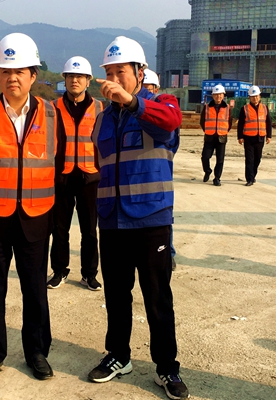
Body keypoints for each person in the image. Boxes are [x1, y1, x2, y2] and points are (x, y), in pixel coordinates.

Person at [87, 36, 189, 400]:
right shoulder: (102, 120)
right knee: (116, 295)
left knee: (157, 298)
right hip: (112, 220)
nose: (114, 79)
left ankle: (167, 368)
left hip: (150, 220)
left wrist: (132, 102)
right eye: (110, 72)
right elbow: (101, 164)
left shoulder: (161, 104)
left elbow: (170, 123)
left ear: (140, 73)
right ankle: (118, 355)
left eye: (122, 72)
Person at [0, 32, 64, 382]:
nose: (12, 78)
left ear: (33, 75)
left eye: (20, 71)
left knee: (34, 291)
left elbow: (58, 163)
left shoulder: (51, 114)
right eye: (5, 71)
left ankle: (37, 352)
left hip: (36, 216)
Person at [47, 56, 104, 291]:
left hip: (90, 178)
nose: (75, 80)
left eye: (80, 76)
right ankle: (59, 271)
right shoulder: (52, 108)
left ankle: (89, 274)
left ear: (88, 80)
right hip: (62, 177)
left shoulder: (100, 108)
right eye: (71, 76)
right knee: (59, 229)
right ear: (65, 79)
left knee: (89, 230)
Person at [143, 68, 178, 271]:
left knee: (163, 218)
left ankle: (169, 253)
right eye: (143, 88)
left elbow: (171, 144)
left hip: (157, 178)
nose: (146, 93)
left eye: (149, 89)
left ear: (156, 89)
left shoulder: (164, 110)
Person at [237, 85, 272, 186]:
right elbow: (240, 124)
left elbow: (268, 122)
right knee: (249, 159)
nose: (255, 98)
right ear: (249, 97)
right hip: (248, 138)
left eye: (256, 96)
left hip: (260, 138)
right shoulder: (245, 109)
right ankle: (249, 179)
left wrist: (269, 136)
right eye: (252, 96)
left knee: (257, 159)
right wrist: (240, 137)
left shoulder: (264, 108)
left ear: (259, 96)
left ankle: (253, 175)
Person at [200, 84, 231, 186]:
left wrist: (223, 131)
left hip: (222, 137)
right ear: (213, 95)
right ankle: (207, 171)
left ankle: (217, 178)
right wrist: (208, 130)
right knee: (205, 157)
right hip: (209, 137)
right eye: (216, 94)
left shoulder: (227, 108)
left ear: (223, 95)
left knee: (220, 160)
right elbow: (202, 122)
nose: (218, 96)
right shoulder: (207, 107)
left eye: (220, 94)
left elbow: (229, 123)